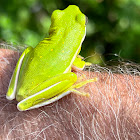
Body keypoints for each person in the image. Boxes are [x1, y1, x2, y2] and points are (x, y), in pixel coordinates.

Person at [0, 48, 139, 139]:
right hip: (33, 89)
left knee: (29, 50)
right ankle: (67, 89)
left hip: (23, 83)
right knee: (73, 77)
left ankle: (14, 91)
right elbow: (79, 66)